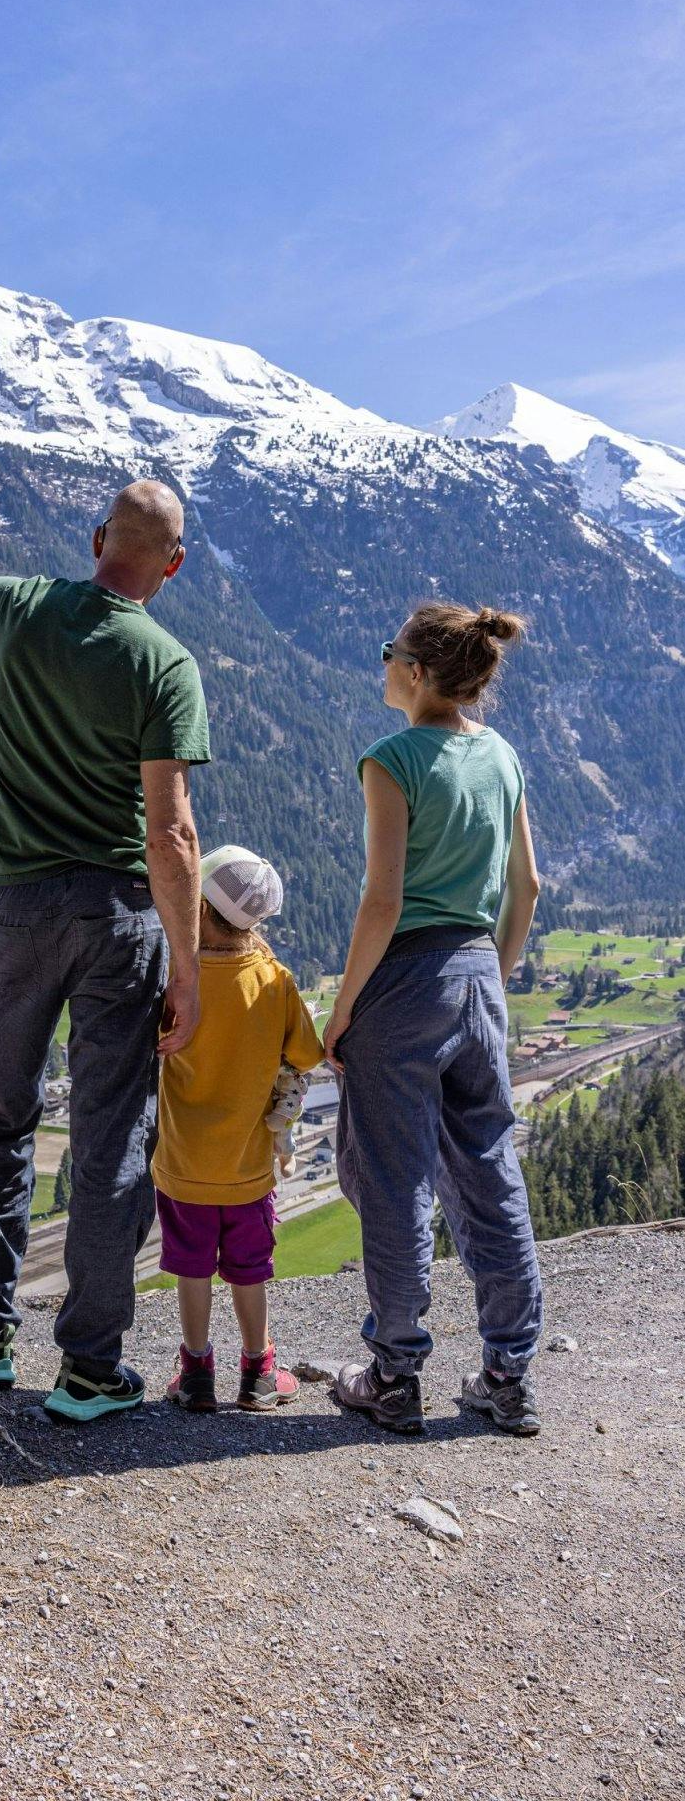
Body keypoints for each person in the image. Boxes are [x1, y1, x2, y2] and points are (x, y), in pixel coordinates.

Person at [0, 481, 211, 1422]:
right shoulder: (166, 663)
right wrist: (186, 971)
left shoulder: (18, 608)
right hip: (119, 920)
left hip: (18, 911)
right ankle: (90, 1369)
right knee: (111, 1144)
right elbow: (172, 832)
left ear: (98, 536)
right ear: (172, 564)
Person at [322, 604, 544, 1437]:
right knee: (489, 1171)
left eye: (389, 654)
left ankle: (394, 1375)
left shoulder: (392, 759)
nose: (381, 665)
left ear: (415, 673)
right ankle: (508, 1375)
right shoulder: (500, 755)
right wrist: (493, 972)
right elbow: (526, 889)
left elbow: (381, 901)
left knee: (393, 1180)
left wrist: (342, 1013)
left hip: (403, 981)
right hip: (477, 976)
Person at [154, 846, 323, 1413]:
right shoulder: (274, 981)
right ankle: (258, 1370)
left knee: (192, 1269)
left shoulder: (179, 983)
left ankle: (196, 1371)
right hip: (249, 1170)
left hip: (183, 1166)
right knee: (250, 1272)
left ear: (197, 906)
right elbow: (307, 1052)